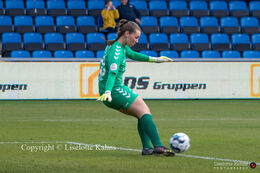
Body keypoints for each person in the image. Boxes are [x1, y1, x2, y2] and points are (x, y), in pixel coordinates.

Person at [97, 19, 174, 156]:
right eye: (136, 37)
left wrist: (154, 59)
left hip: (112, 90)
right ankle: (158, 146)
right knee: (144, 112)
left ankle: (147, 148)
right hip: (113, 90)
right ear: (127, 33)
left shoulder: (118, 45)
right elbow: (113, 72)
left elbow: (133, 54)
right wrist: (108, 91)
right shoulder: (116, 51)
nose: (137, 41)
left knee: (141, 114)